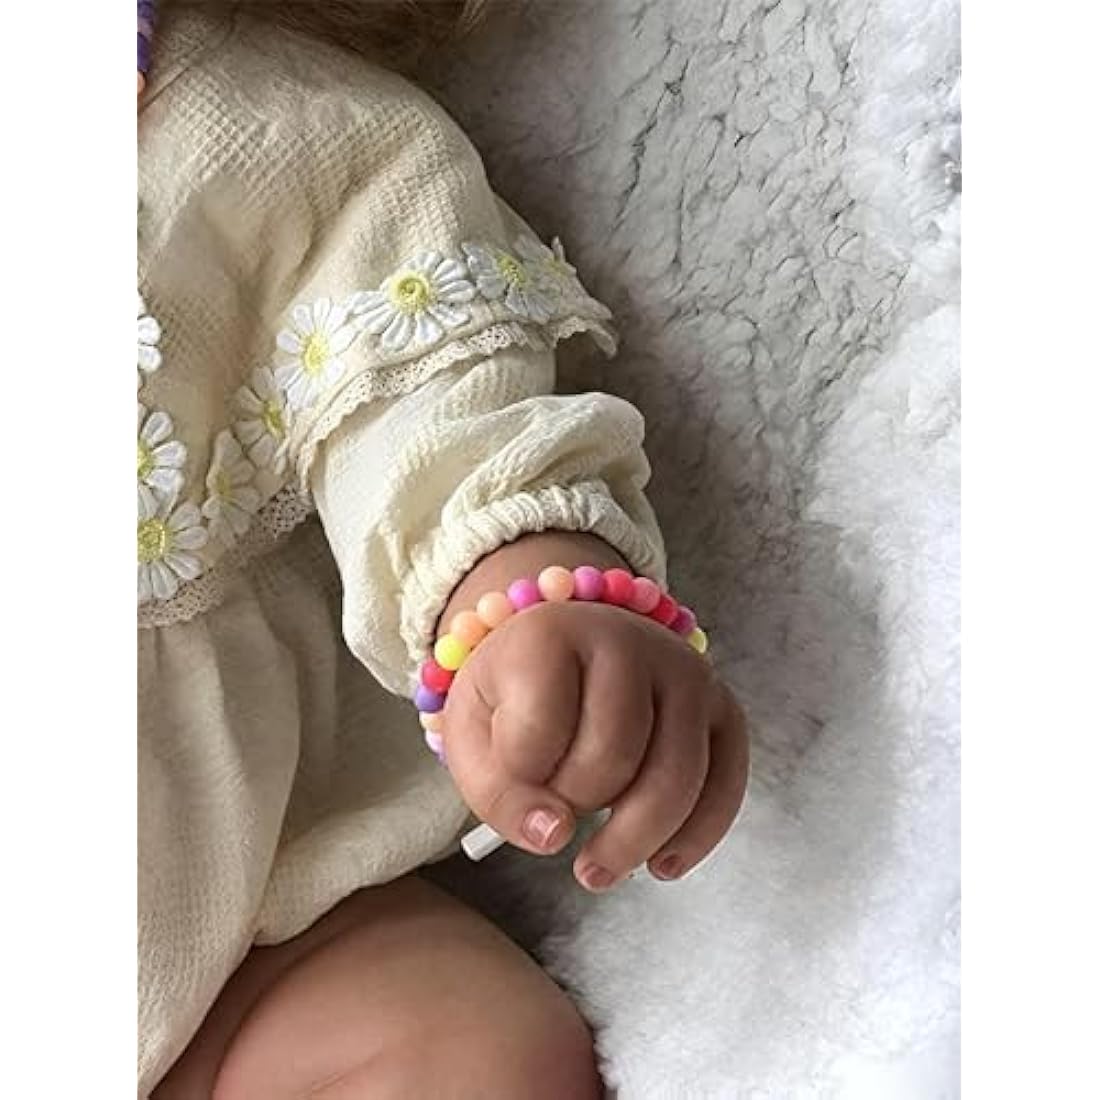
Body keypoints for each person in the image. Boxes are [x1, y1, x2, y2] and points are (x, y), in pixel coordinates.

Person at [138, 2, 750, 1095]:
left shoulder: (258, 133)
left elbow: (426, 403)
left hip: (226, 955)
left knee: (467, 1048)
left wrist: (519, 588)